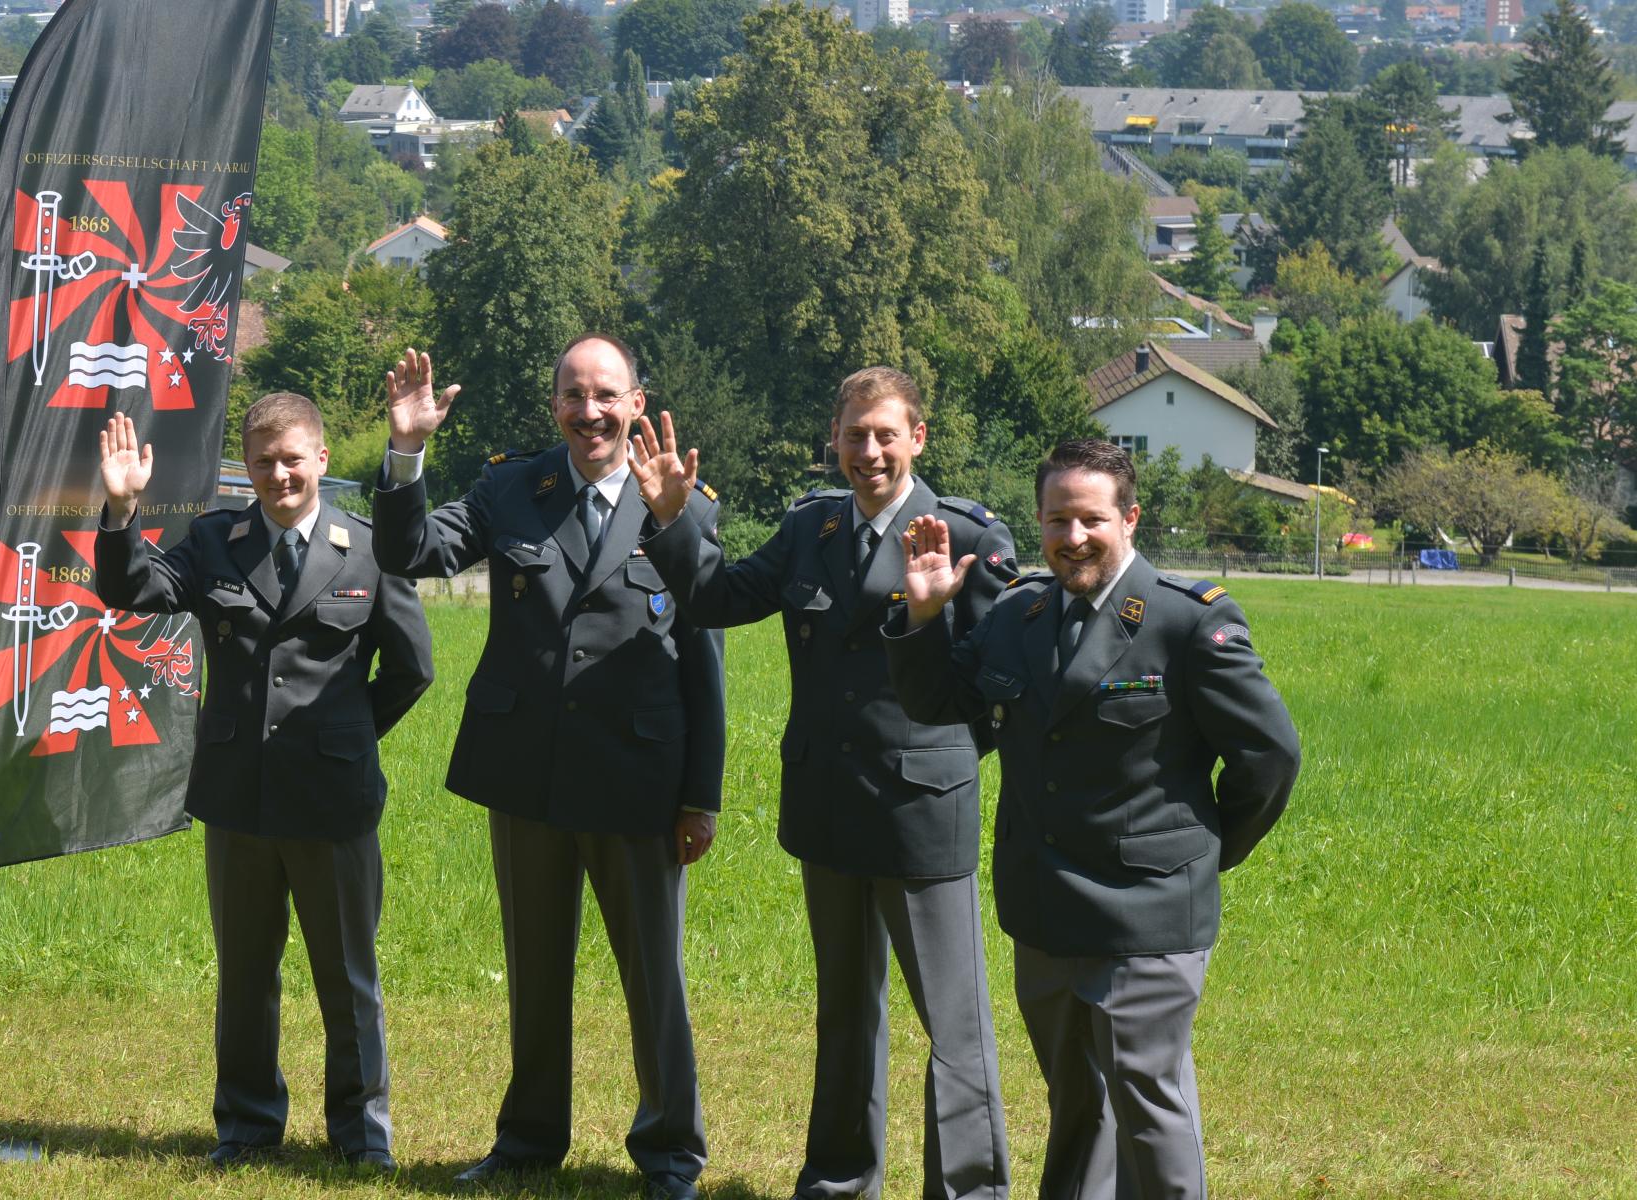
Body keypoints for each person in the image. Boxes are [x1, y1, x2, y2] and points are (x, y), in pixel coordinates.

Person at [631, 368, 1017, 1200]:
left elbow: (999, 686)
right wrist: (671, 517)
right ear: (833, 440)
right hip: (828, 810)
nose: (869, 451)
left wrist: (946, 762)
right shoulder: (810, 527)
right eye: (854, 435)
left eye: (886, 434)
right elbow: (715, 598)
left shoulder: (967, 535)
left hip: (922, 816)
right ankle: (840, 1180)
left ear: (919, 437)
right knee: (845, 1015)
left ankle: (974, 1190)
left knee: (955, 1027)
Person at [886, 439, 1301, 1200]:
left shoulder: (1187, 623)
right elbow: (939, 705)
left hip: (1148, 912)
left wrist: (1200, 855)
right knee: (1075, 1103)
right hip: (1046, 908)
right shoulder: (1021, 614)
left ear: (1130, 519)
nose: (1071, 538)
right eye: (1056, 520)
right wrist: (923, 615)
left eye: (1090, 519)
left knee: (1147, 1102)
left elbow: (1269, 758)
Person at [367, 338, 724, 1199]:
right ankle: (528, 1141)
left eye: (606, 394)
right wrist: (407, 448)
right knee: (533, 969)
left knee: (654, 981)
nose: (589, 411)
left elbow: (703, 660)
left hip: (639, 781)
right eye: (573, 394)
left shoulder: (679, 502)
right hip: (527, 775)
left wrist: (700, 797)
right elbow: (410, 551)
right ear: (553, 403)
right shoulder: (511, 487)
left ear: (637, 402)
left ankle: (671, 1152)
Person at [90, 396, 435, 1171]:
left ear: (320, 460)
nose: (279, 474)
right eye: (263, 462)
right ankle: (246, 1126)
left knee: (348, 979)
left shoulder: (370, 550)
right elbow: (133, 594)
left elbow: (413, 668)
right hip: (238, 800)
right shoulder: (216, 540)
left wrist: (344, 739)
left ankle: (360, 1134)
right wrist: (120, 513)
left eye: (293, 459)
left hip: (332, 803)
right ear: (245, 469)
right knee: (246, 976)